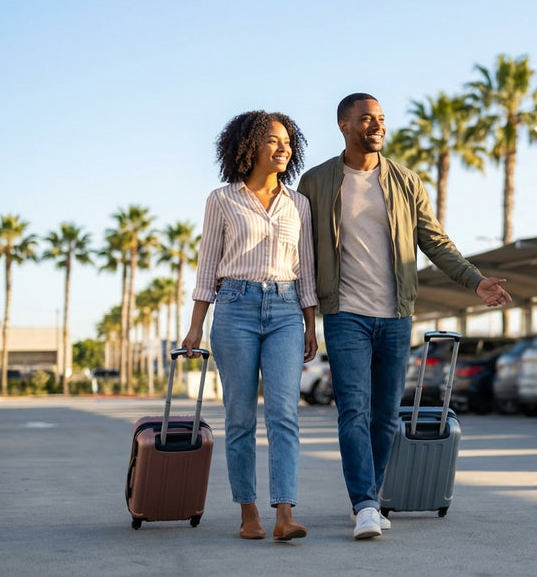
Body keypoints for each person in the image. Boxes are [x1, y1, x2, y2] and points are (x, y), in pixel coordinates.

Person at [298, 92, 512, 539]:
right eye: (365, 119)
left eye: (380, 118)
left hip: (395, 316)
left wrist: (476, 281)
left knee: (384, 415)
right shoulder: (315, 182)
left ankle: (369, 499)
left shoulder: (406, 182)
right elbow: (302, 253)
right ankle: (366, 504)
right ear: (344, 126)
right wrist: (306, 318)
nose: (376, 125)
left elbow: (435, 241)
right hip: (345, 315)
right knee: (352, 410)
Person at [181, 110, 319, 541]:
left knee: (284, 415)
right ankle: (248, 513)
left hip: (284, 310)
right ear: (250, 147)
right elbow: (207, 270)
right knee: (239, 417)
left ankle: (284, 514)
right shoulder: (222, 200)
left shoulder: (298, 204)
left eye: (288, 143)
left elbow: (307, 269)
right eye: (274, 141)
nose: (284, 149)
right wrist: (194, 328)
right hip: (235, 308)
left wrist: (310, 323)